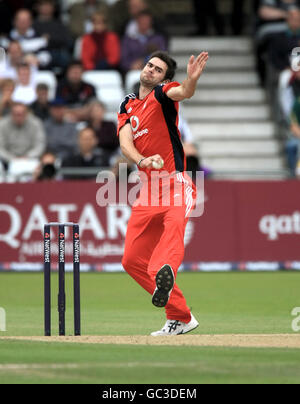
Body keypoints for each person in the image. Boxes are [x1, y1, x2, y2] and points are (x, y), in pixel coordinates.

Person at [118, 50, 209, 336]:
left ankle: (163, 274)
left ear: (164, 78)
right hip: (148, 191)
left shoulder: (162, 94)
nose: (150, 70)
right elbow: (125, 143)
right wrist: (141, 160)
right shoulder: (127, 104)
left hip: (176, 183)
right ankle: (182, 316)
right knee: (131, 260)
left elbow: (183, 92)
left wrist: (191, 81)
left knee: (169, 239)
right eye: (149, 65)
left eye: (157, 69)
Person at [33, 0, 73, 71]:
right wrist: (44, 41)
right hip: (38, 53)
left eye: (49, 5)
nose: (46, 7)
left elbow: (67, 41)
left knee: (65, 57)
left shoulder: (59, 24)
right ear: (38, 7)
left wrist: (49, 39)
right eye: (43, 5)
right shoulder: (33, 24)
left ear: (53, 8)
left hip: (57, 53)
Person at [268, 8, 300, 72]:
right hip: (287, 70)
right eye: (293, 19)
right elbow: (275, 58)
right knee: (285, 76)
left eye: (298, 20)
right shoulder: (278, 38)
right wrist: (287, 68)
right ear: (287, 20)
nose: (295, 22)